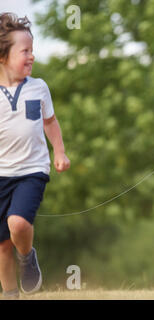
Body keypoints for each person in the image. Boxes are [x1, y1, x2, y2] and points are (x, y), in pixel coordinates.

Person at [0, 13, 70, 299]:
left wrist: (60, 152)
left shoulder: (38, 87)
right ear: (3, 56)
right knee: (2, 246)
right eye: (24, 51)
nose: (32, 56)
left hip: (32, 170)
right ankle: (11, 294)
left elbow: (50, 122)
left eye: (32, 50)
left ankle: (27, 257)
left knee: (18, 223)